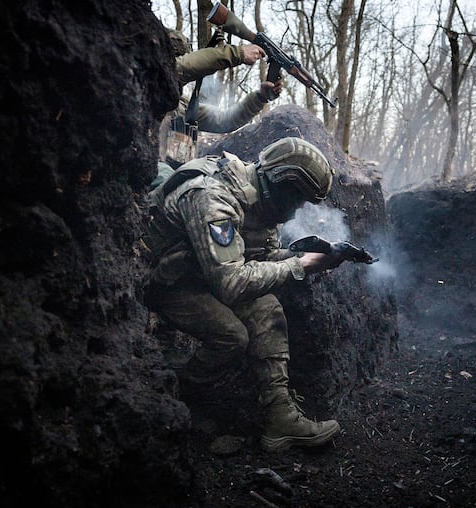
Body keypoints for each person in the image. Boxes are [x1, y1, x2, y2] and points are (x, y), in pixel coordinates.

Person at [142, 137, 345, 452]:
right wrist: (298, 265)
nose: (295, 212)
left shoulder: (256, 199)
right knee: (231, 336)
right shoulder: (213, 198)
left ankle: (280, 417)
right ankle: (179, 395)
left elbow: (255, 259)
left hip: (201, 272)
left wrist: (308, 257)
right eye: (297, 200)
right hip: (165, 280)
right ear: (281, 184)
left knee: (267, 308)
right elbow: (232, 283)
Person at [158, 29, 283, 164]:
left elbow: (225, 120)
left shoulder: (181, 106)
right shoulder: (144, 91)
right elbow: (177, 68)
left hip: (174, 179)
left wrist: (260, 98)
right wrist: (236, 54)